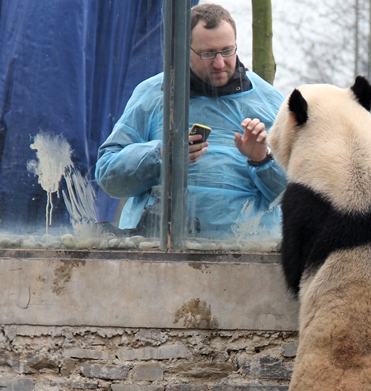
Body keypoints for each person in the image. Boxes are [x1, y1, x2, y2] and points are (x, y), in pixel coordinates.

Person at [95, 3, 287, 238]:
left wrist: (262, 159)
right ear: (183, 49)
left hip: (247, 254)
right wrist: (163, 155)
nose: (219, 63)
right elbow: (108, 177)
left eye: (227, 51)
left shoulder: (269, 100)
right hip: (158, 250)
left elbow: (295, 195)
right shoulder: (153, 94)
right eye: (207, 53)